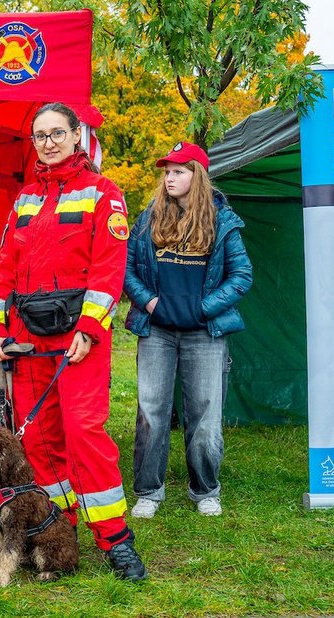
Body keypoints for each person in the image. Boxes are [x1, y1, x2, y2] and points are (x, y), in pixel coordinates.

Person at [0, 102, 147, 581]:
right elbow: (2, 270)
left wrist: (92, 329)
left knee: (85, 436)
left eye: (57, 133)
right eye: (40, 135)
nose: (49, 142)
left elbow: (108, 270)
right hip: (28, 344)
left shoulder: (104, 193)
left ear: (77, 136)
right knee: (39, 440)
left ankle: (115, 539)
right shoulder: (25, 199)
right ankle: (61, 527)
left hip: (79, 344)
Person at [124, 142, 252, 519]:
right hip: (157, 331)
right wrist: (150, 302)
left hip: (204, 333)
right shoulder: (148, 219)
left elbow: (242, 276)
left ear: (197, 175)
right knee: (151, 411)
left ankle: (205, 490)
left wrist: (202, 308)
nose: (169, 177)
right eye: (166, 172)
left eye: (178, 171)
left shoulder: (222, 221)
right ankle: (148, 491)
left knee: (205, 413)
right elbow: (127, 268)